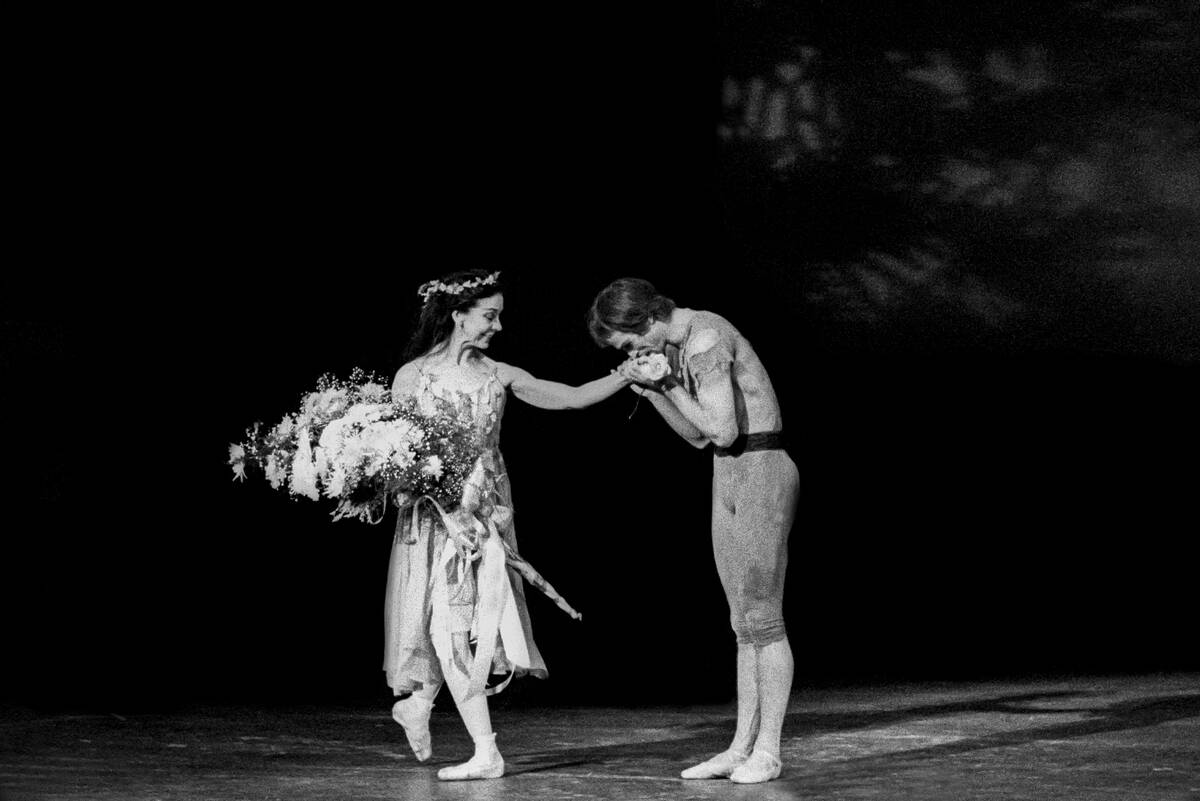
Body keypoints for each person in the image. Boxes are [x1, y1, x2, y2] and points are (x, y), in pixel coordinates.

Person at [386, 269, 630, 781]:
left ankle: (432, 711)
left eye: (499, 316)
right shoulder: (413, 377)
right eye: (489, 315)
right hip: (434, 520)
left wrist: (627, 377)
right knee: (443, 624)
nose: (498, 325)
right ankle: (459, 730)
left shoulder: (498, 374)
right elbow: (398, 457)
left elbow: (567, 395)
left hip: (484, 517)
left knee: (462, 626)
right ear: (458, 315)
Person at [588, 277, 799, 785]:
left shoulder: (704, 338)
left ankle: (767, 750)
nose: (632, 351)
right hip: (728, 472)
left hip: (762, 468)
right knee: (742, 622)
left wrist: (670, 384)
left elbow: (724, 429)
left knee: (764, 620)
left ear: (647, 319)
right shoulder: (680, 346)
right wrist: (654, 389)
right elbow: (698, 437)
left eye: (629, 342)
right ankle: (739, 747)